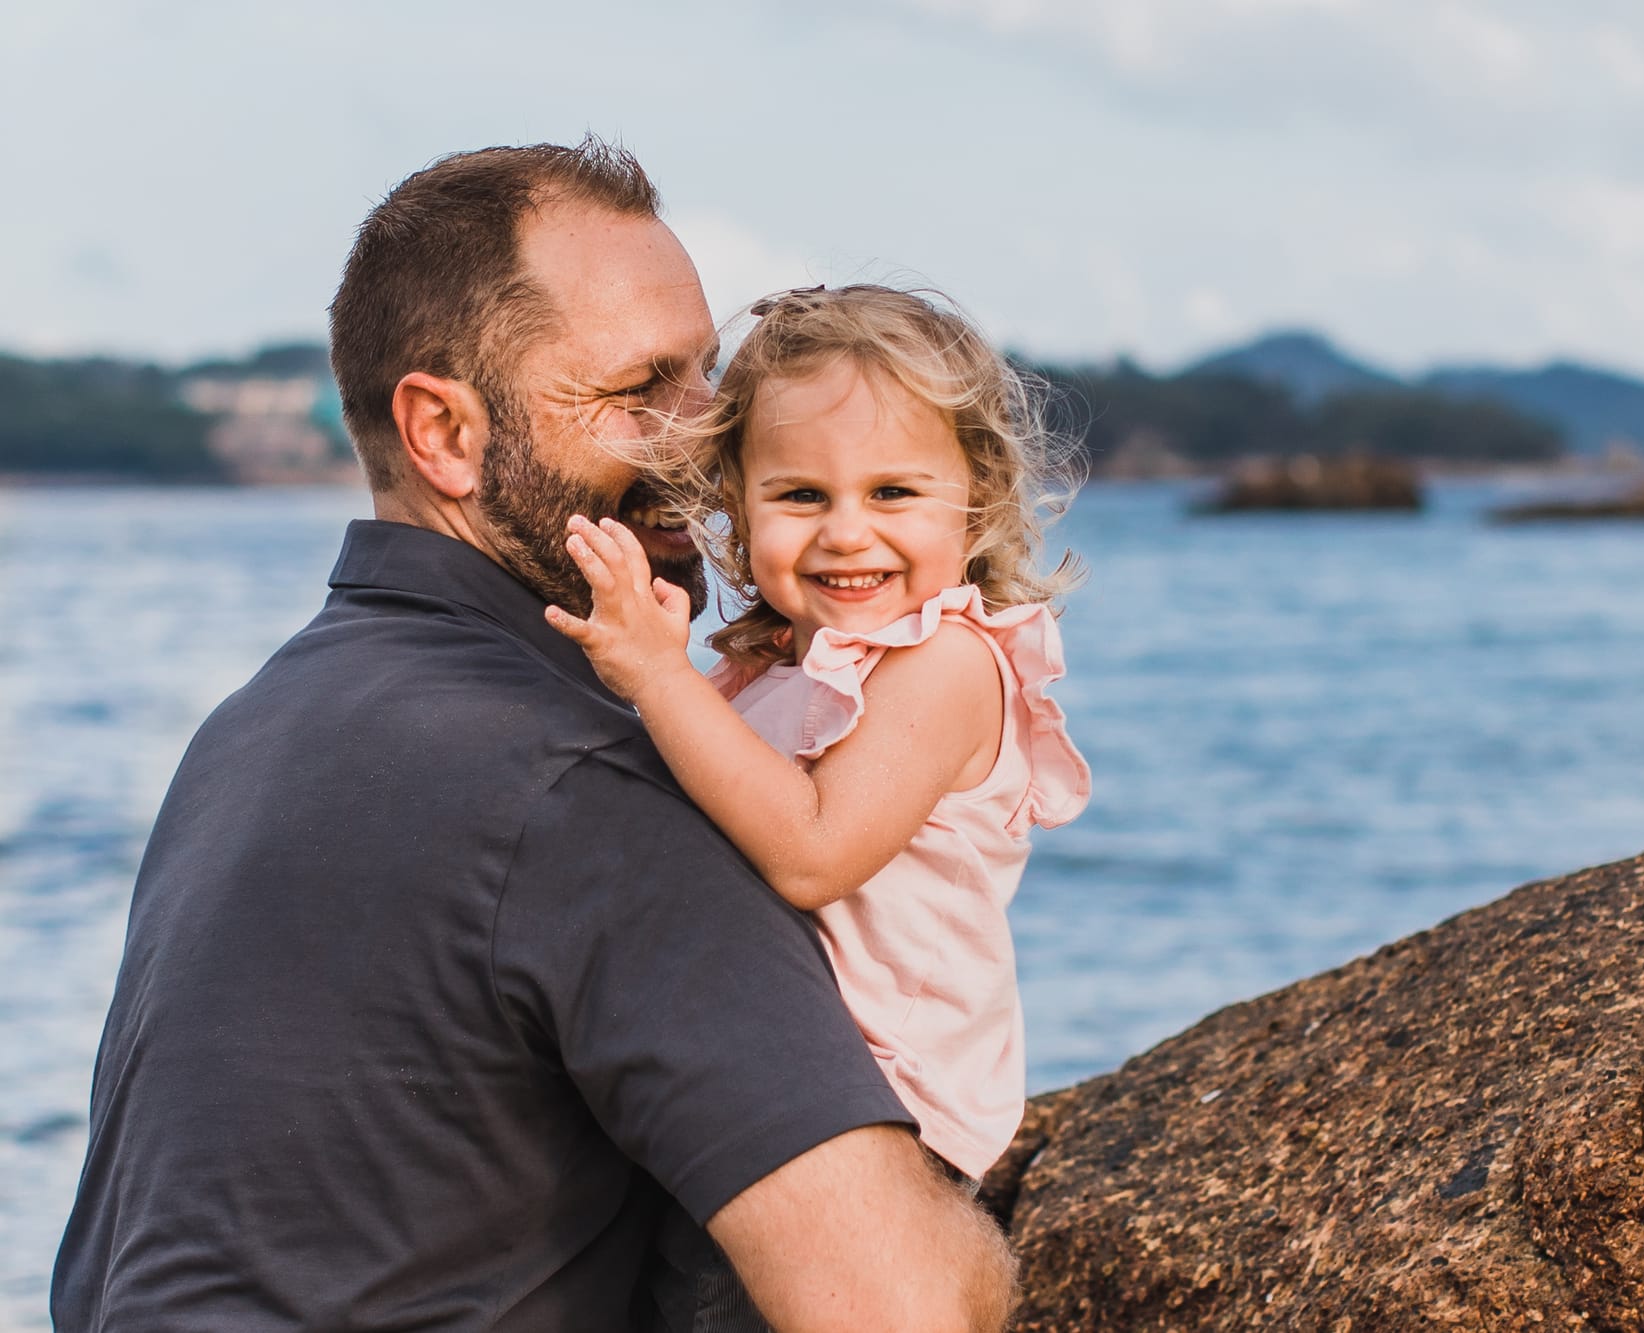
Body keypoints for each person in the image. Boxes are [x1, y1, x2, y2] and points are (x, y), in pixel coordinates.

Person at [52, 143, 1016, 1332]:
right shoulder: (593, 779)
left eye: (706, 374)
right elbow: (895, 1307)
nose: (705, 435)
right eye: (637, 391)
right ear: (444, 435)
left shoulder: (246, 738)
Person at [547, 284, 1090, 1196]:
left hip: (879, 1113)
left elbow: (812, 854)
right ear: (738, 504)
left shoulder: (946, 662)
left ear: (975, 497)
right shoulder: (771, 670)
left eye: (892, 491)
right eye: (800, 494)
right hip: (759, 1085)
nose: (846, 532)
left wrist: (655, 674)